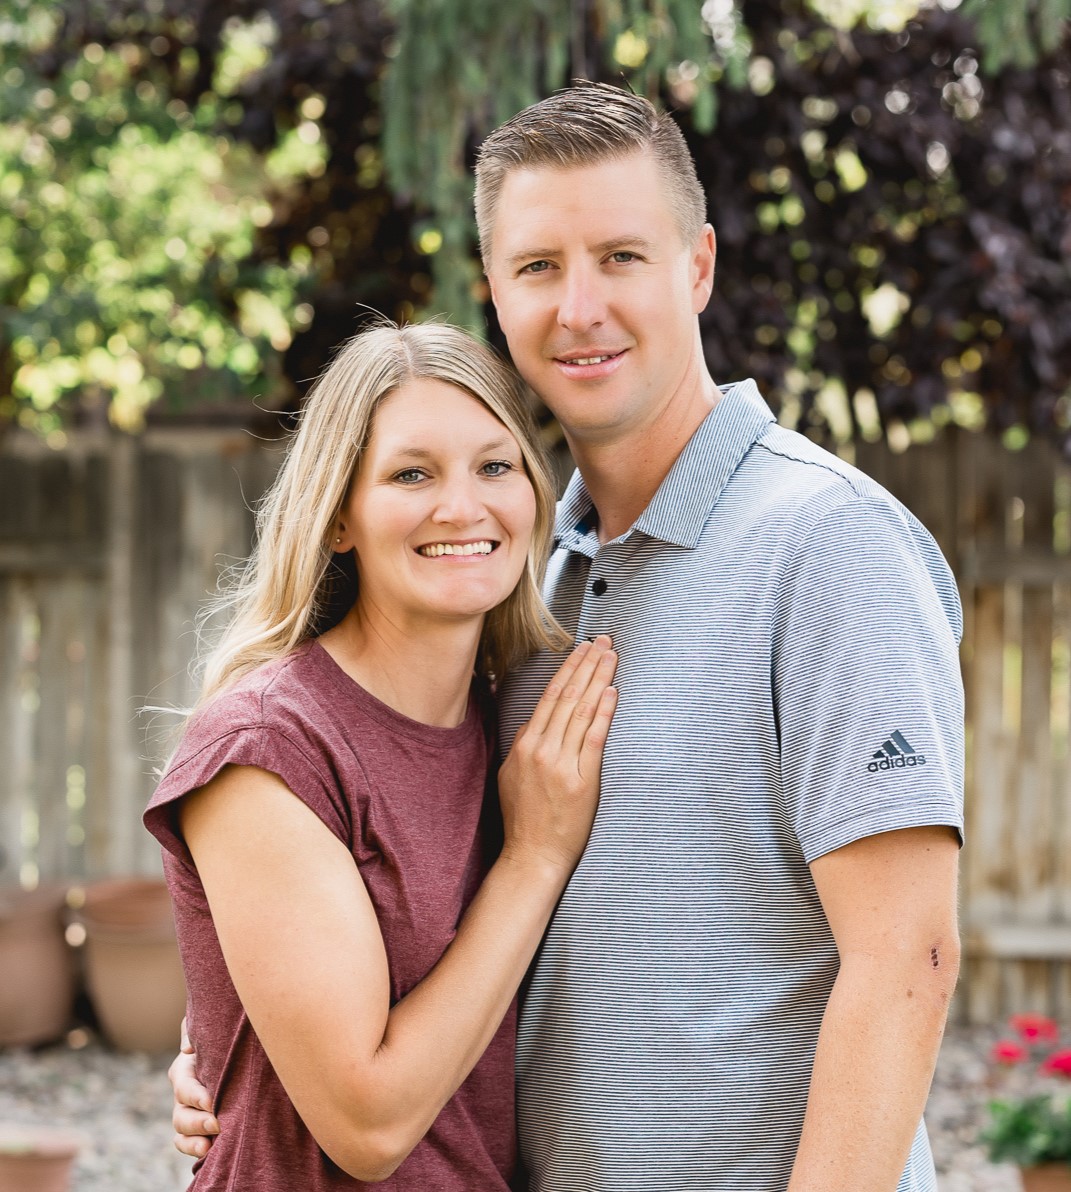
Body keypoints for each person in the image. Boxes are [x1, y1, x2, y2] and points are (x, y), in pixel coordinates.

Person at [172, 83, 964, 1191]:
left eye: (622, 257)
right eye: (539, 266)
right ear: (495, 292)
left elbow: (908, 962)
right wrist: (246, 1049)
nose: (579, 306)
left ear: (697, 266)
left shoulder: (826, 543)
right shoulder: (522, 594)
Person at [144, 319, 619, 1191]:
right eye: (411, 474)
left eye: (495, 466)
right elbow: (368, 1124)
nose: (463, 506)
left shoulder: (513, 721)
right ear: (337, 521)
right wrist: (534, 857)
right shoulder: (267, 748)